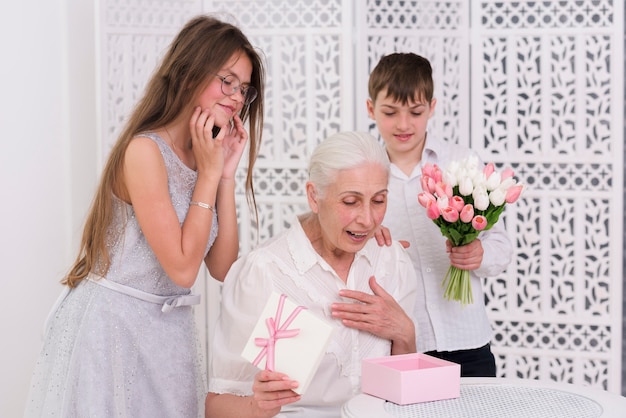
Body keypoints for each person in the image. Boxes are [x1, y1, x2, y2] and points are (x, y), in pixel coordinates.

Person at [24, 15, 265, 417]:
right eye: (227, 80)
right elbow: (183, 270)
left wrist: (223, 175)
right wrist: (208, 173)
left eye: (243, 88)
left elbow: (222, 267)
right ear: (189, 74)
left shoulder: (203, 158)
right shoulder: (144, 152)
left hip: (168, 332)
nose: (237, 96)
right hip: (111, 330)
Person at [205, 131, 417, 418]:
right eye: (351, 201)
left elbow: (406, 395)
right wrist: (258, 406)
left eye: (378, 201)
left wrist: (405, 335)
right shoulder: (264, 273)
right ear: (314, 196)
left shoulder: (392, 262)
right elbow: (216, 407)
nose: (367, 219)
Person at [366, 52, 513, 377]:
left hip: (468, 340)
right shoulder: (364, 173)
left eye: (415, 112)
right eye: (390, 112)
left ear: (431, 108)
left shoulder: (460, 163)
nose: (403, 125)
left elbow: (501, 247)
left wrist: (479, 253)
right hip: (401, 342)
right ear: (370, 108)